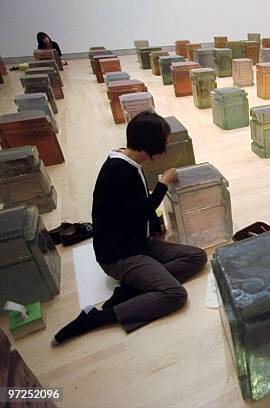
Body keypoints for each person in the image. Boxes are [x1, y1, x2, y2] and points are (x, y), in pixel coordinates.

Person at [52, 111, 206, 346]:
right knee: (175, 295)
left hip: (138, 242)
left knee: (197, 256)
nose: (166, 145)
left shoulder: (130, 161)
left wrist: (156, 229)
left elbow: (137, 209)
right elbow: (144, 209)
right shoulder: (119, 172)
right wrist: (163, 183)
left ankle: (133, 287)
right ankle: (97, 318)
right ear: (151, 143)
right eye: (163, 141)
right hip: (119, 255)